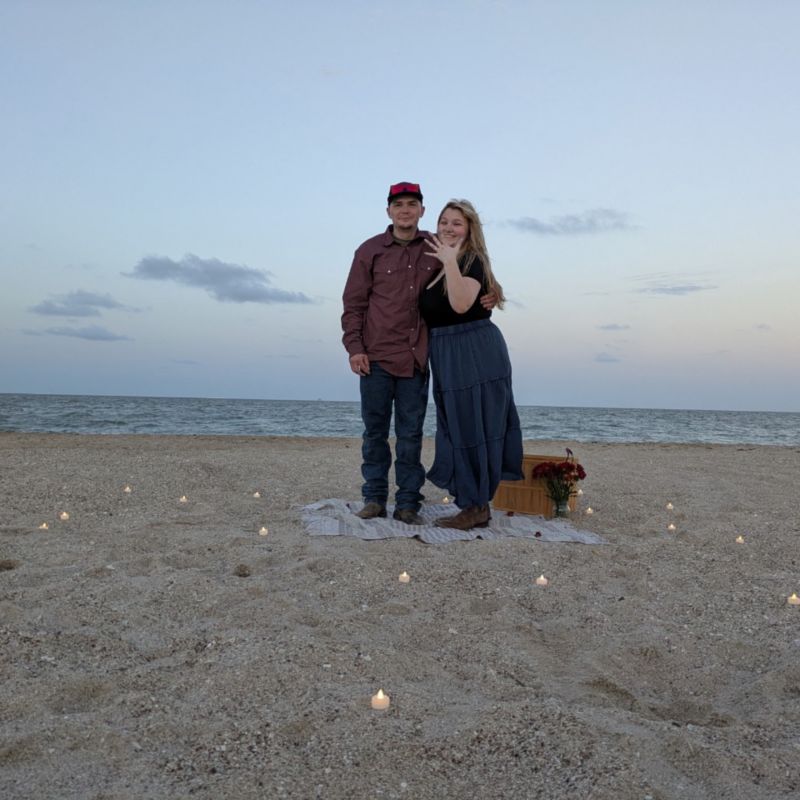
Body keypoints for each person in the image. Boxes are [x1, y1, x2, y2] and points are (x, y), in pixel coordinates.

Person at [341, 182, 495, 526]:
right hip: (375, 357)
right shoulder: (368, 251)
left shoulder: (436, 246)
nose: (405, 210)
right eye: (398, 205)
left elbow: (471, 268)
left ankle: (408, 503)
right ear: (388, 211)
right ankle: (374, 499)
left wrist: (492, 294)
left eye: (412, 204)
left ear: (422, 211)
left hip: (416, 358)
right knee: (374, 433)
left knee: (410, 435)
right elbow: (353, 304)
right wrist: (355, 348)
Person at [421, 199, 523, 530]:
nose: (448, 228)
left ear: (470, 229)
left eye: (457, 223)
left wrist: (451, 261)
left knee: (474, 425)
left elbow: (462, 304)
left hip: (474, 350)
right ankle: (474, 503)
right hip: (446, 352)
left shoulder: (470, 260)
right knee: (456, 426)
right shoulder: (437, 260)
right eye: (444, 221)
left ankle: (476, 506)